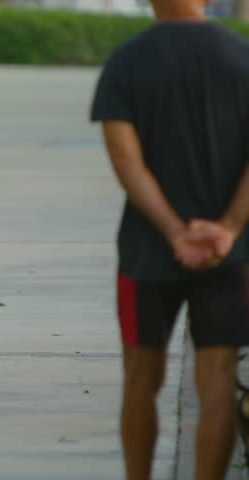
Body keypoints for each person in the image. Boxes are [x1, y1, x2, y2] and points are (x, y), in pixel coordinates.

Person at [91, 0, 249, 477]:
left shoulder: (126, 62)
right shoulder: (242, 57)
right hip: (230, 256)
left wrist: (173, 230)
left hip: (145, 253)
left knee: (141, 378)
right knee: (218, 382)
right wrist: (228, 228)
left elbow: (126, 161)